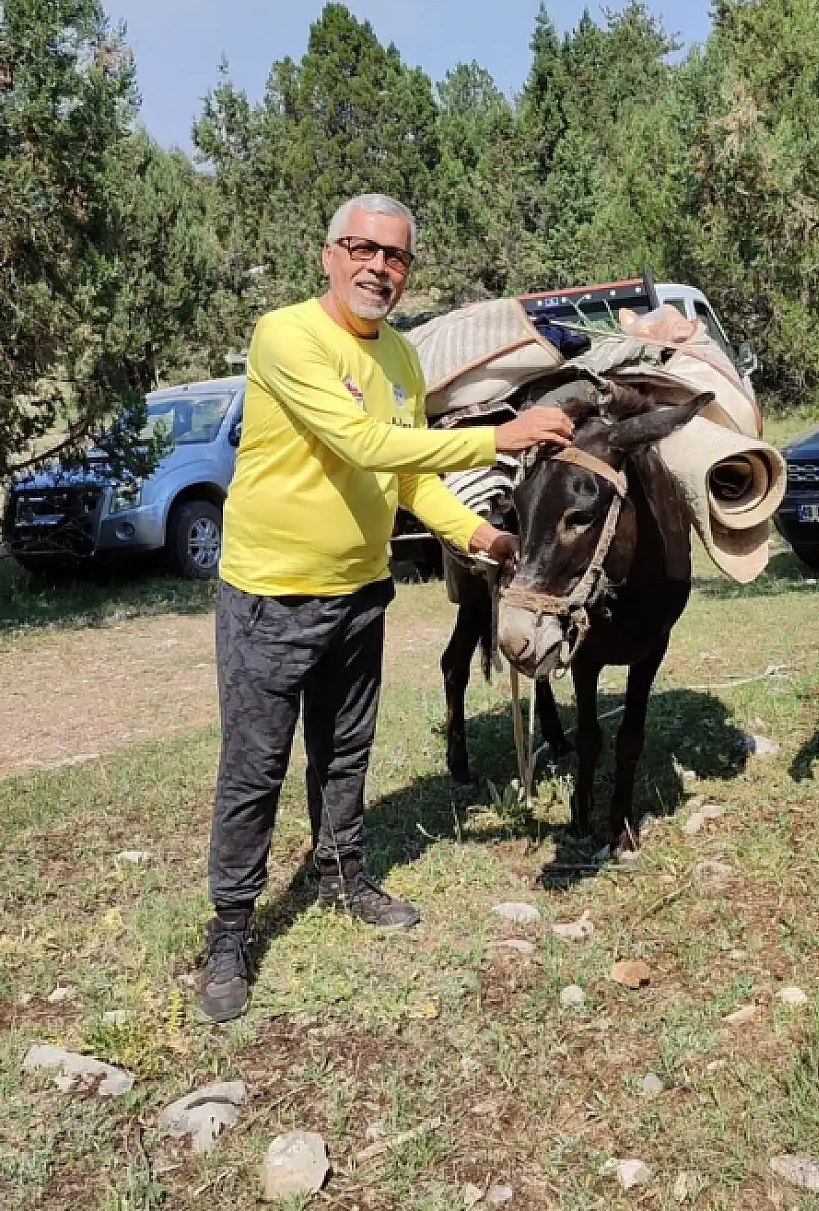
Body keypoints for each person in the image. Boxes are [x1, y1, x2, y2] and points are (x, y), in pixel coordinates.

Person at [197, 193, 575, 1022]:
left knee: (344, 755)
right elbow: (361, 442)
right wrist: (499, 437)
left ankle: (343, 876)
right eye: (362, 249)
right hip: (270, 593)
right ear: (328, 254)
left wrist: (479, 534)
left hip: (360, 591)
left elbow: (406, 480)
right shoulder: (287, 335)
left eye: (396, 256)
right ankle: (229, 932)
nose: (378, 267)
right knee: (255, 768)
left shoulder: (401, 357)